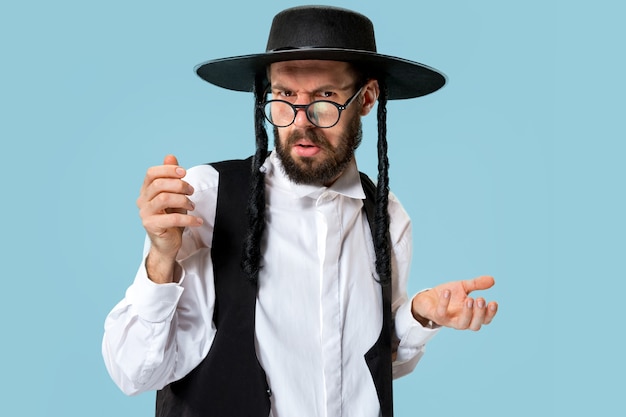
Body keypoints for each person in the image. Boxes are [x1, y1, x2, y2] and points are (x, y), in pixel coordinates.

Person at [102, 5, 498, 417]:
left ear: (366, 98)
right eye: (285, 96)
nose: (301, 122)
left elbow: (370, 368)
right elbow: (133, 372)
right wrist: (160, 260)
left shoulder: (387, 218)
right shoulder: (205, 199)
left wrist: (418, 316)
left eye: (325, 98)